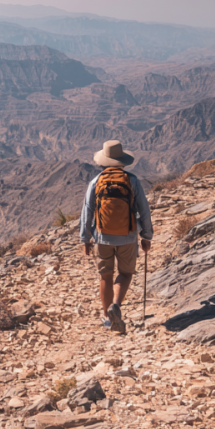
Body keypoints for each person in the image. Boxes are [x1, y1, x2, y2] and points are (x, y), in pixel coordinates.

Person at [79, 140, 153, 334]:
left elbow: (86, 212)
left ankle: (107, 319)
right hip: (128, 236)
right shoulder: (132, 181)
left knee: (105, 276)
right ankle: (117, 306)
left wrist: (85, 239)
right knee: (126, 273)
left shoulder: (95, 182)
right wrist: (146, 236)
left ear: (103, 161)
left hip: (102, 237)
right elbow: (144, 210)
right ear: (122, 161)